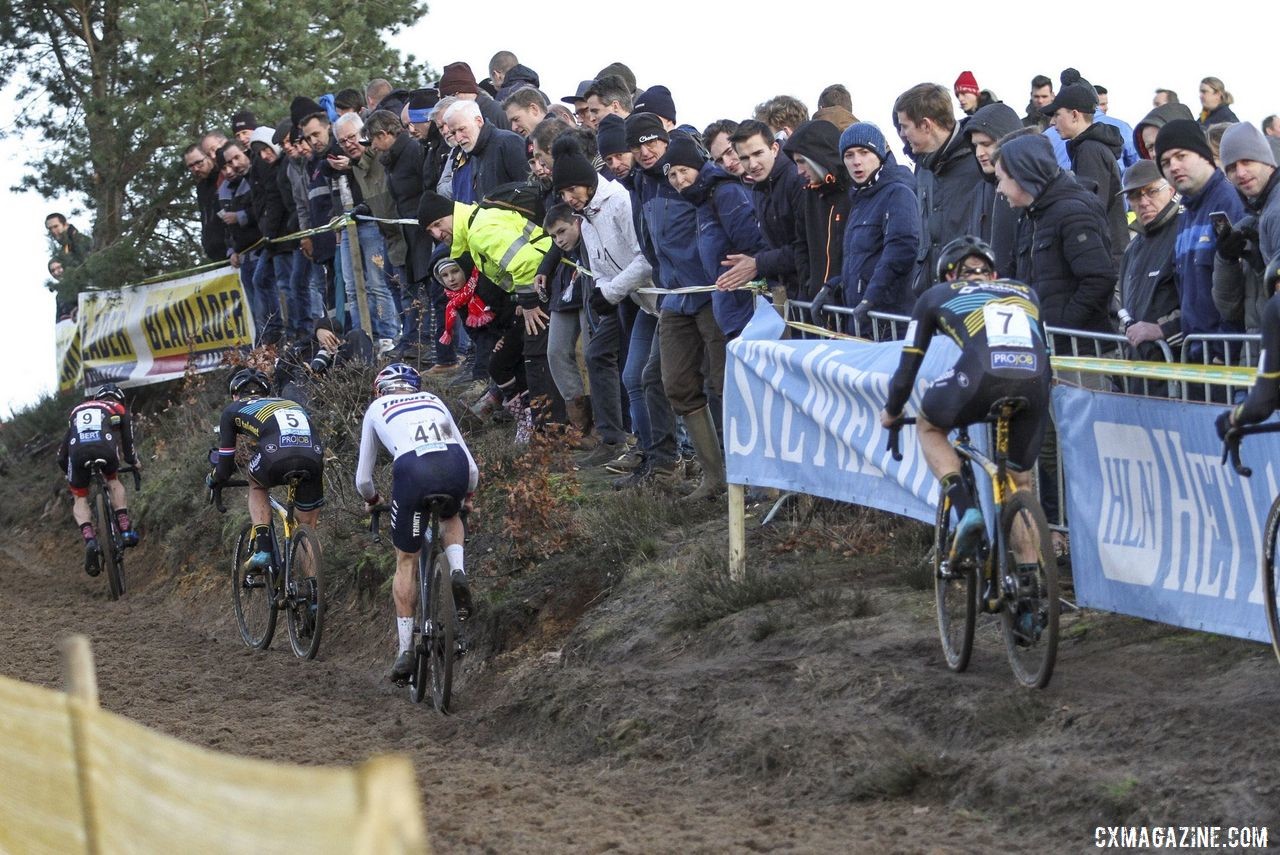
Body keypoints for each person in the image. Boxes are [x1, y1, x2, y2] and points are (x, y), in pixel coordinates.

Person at [880, 235, 1050, 563]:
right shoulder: (1026, 292)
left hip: (981, 376)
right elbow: (1047, 355)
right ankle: (1030, 591)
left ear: (948, 275)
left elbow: (906, 371)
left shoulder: (936, 295)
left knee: (929, 426)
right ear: (994, 275)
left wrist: (892, 411)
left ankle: (967, 510)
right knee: (1019, 482)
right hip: (1036, 381)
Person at [355, 363, 479, 681]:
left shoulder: (376, 407)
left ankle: (405, 651)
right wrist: (468, 496)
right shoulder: (434, 400)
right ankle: (458, 571)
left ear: (381, 388)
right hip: (453, 465)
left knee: (406, 560)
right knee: (451, 515)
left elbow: (363, 481)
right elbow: (473, 469)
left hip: (413, 471)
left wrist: (373, 502)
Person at [208, 368, 324, 572]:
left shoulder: (232, 409)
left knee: (256, 484)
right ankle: (316, 595)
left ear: (235, 395)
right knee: (308, 529)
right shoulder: (290, 403)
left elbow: (225, 465)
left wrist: (214, 478)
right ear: (266, 393)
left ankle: (263, 550)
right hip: (312, 455)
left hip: (276, 454)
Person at [809, 122, 919, 330]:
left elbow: (901, 251)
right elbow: (861, 260)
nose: (856, 162)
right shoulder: (860, 198)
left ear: (879, 155)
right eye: (849, 155)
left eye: (864, 152)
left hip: (889, 321)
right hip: (863, 319)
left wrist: (871, 299)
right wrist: (832, 287)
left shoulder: (898, 193)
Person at [893, 83, 986, 294]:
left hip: (970, 295)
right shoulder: (923, 168)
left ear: (926, 125)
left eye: (905, 126)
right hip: (933, 295)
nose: (901, 133)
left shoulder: (978, 164)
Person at [57, 384, 141, 574]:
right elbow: (128, 443)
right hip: (105, 449)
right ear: (118, 399)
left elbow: (61, 456)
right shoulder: (118, 409)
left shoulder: (77, 411)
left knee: (80, 497)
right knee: (113, 480)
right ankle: (125, 528)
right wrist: (133, 461)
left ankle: (90, 539)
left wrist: (70, 475)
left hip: (77, 454)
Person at [1117, 160, 1183, 362]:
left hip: (1179, 367)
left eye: (1152, 191)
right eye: (1135, 195)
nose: (1143, 202)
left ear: (1171, 190)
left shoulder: (1184, 234)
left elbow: (1202, 303)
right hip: (1141, 370)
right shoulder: (1133, 248)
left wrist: (1163, 329)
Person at [784, 119, 852, 299]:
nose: (799, 171)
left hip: (847, 301)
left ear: (817, 157)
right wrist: (809, 284)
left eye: (801, 161)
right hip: (818, 300)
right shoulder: (809, 194)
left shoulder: (852, 192)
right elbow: (801, 244)